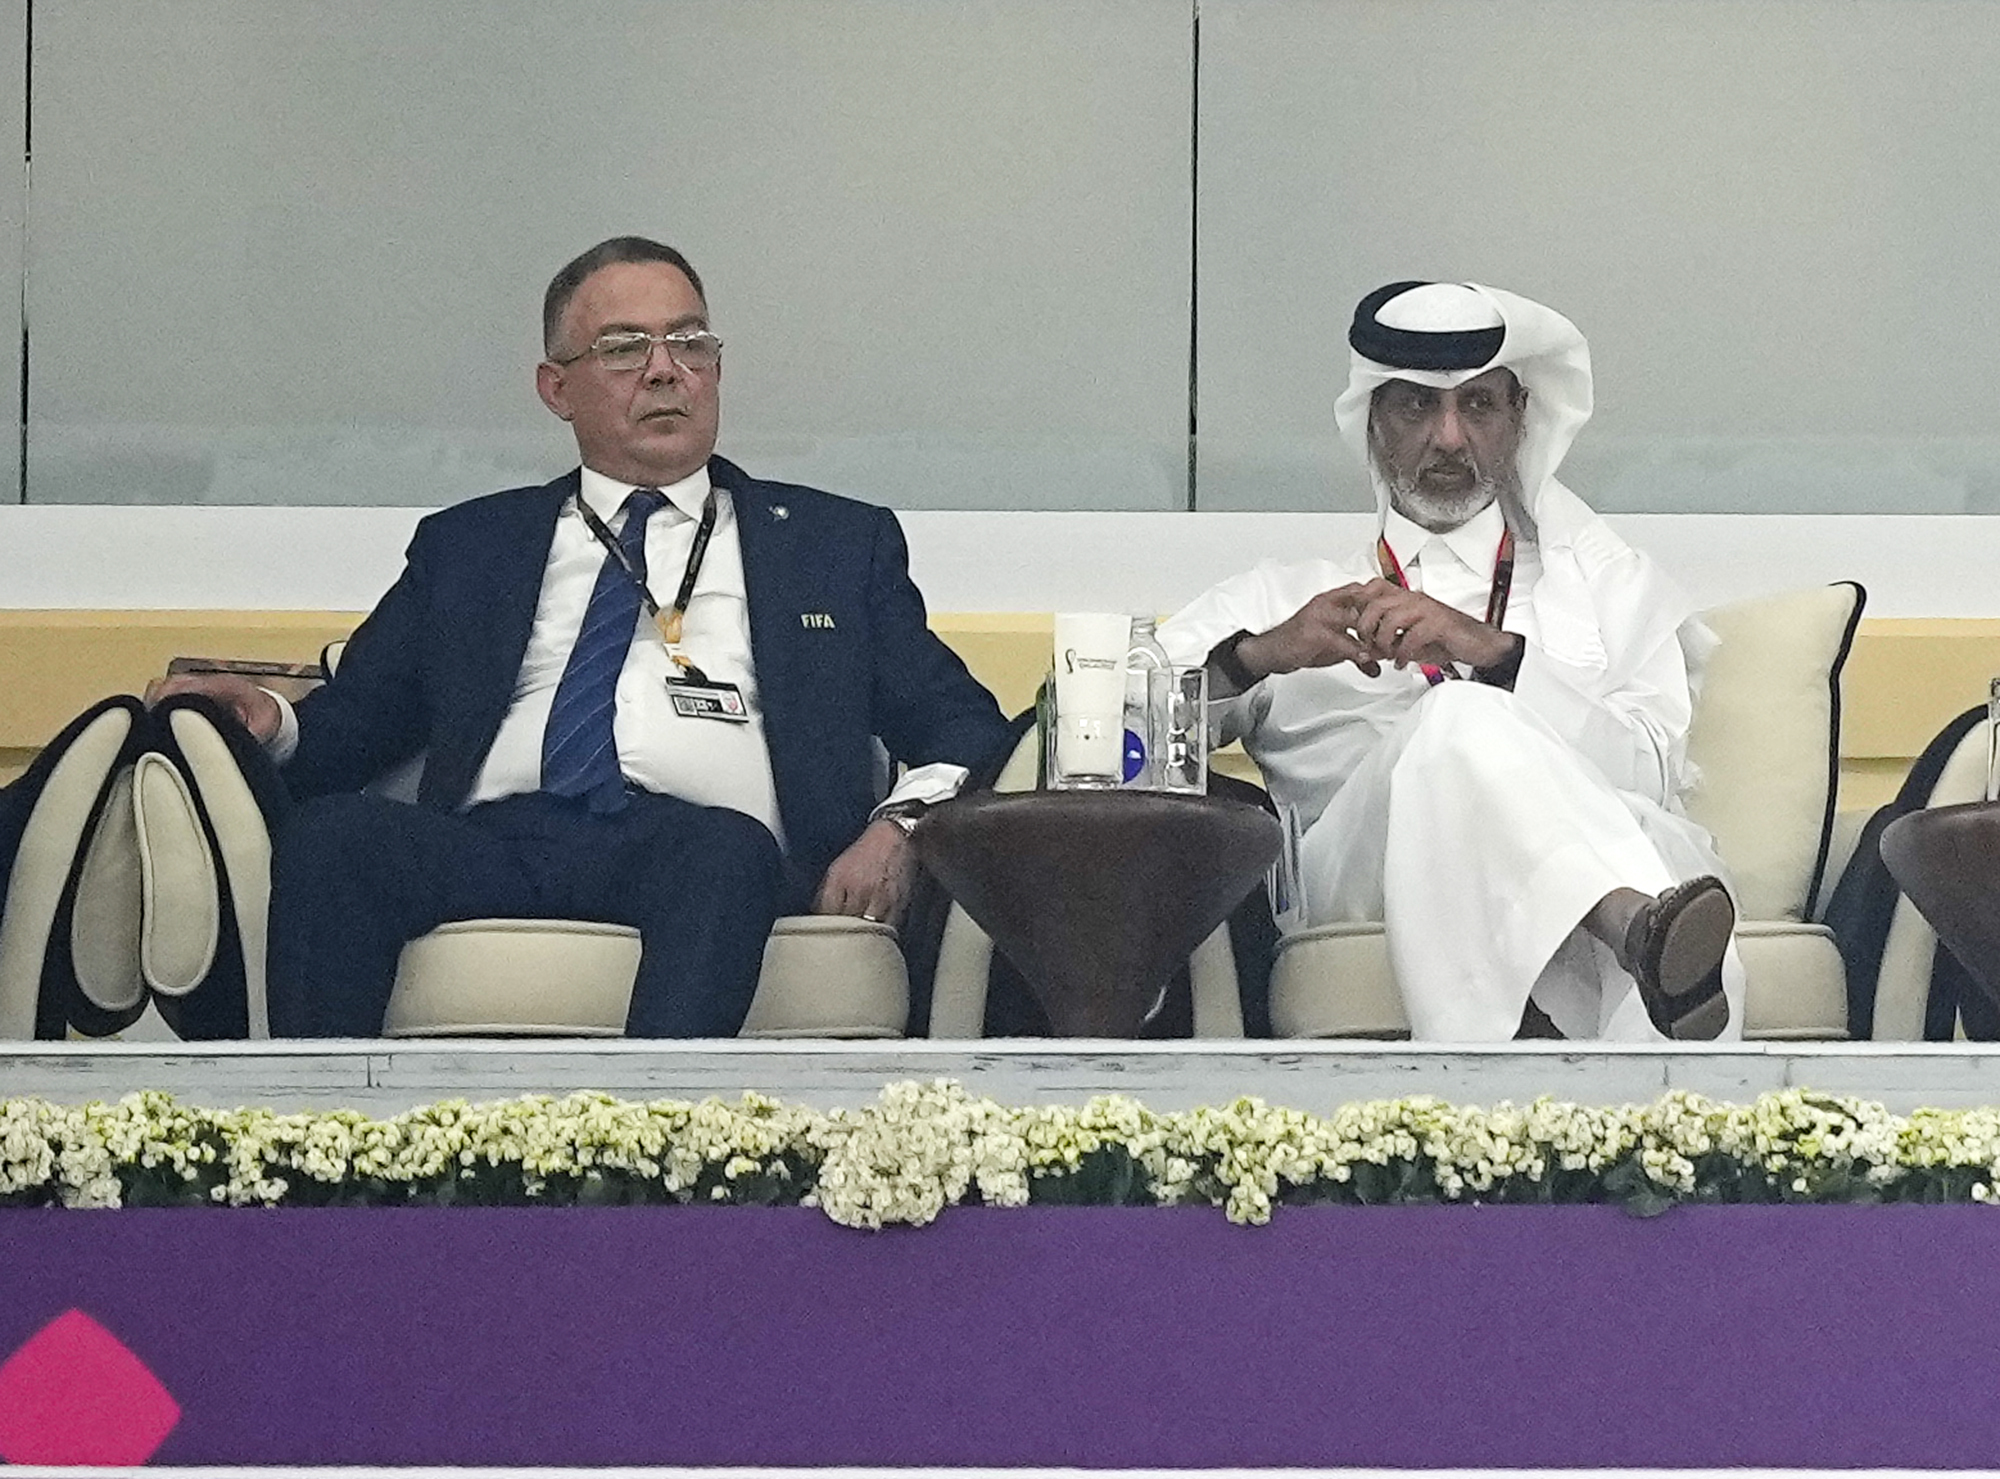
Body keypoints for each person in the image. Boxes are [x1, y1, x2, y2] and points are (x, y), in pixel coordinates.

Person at [149, 236, 1010, 1037]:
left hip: (698, 849)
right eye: (626, 348)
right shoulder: (472, 545)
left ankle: (660, 1165)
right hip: (496, 841)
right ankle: (318, 1158)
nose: (666, 371)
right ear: (555, 388)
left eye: (690, 343)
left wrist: (896, 825)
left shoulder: (829, 545)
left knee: (727, 849)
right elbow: (361, 719)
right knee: (335, 837)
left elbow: (965, 725)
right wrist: (271, 716)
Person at [1160, 280, 1740, 1041]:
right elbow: (1109, 731)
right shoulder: (1284, 595)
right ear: (1371, 423)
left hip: (1608, 825)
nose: (1449, 438)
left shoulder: (1607, 582)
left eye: (1478, 406)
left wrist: (1495, 654)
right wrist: (1259, 655)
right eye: (1416, 407)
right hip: (1361, 876)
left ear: (1519, 420)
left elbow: (1650, 777)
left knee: (1475, 712)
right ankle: (1632, 925)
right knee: (1455, 715)